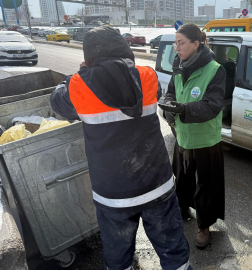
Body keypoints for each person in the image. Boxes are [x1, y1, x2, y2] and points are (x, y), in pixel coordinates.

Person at [50, 26, 192, 270]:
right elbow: (152, 92)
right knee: (174, 253)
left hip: (113, 195)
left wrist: (82, 71)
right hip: (157, 186)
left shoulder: (78, 86)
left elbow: (57, 101)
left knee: (118, 258)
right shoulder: (148, 75)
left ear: (90, 56)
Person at [158, 23, 226, 249]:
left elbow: (212, 105)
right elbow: (170, 94)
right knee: (182, 178)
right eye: (174, 43)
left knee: (206, 186)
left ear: (196, 44)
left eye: (181, 43)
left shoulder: (215, 69)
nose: (176, 48)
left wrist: (183, 109)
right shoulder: (178, 66)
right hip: (183, 136)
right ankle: (182, 207)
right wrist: (168, 107)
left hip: (206, 140)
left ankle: (204, 226)